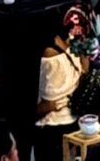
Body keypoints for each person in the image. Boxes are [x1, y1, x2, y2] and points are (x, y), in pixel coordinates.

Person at [35, 14, 87, 161]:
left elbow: (49, 102)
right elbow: (85, 69)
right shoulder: (75, 49)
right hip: (73, 121)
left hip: (53, 126)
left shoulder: (49, 56)